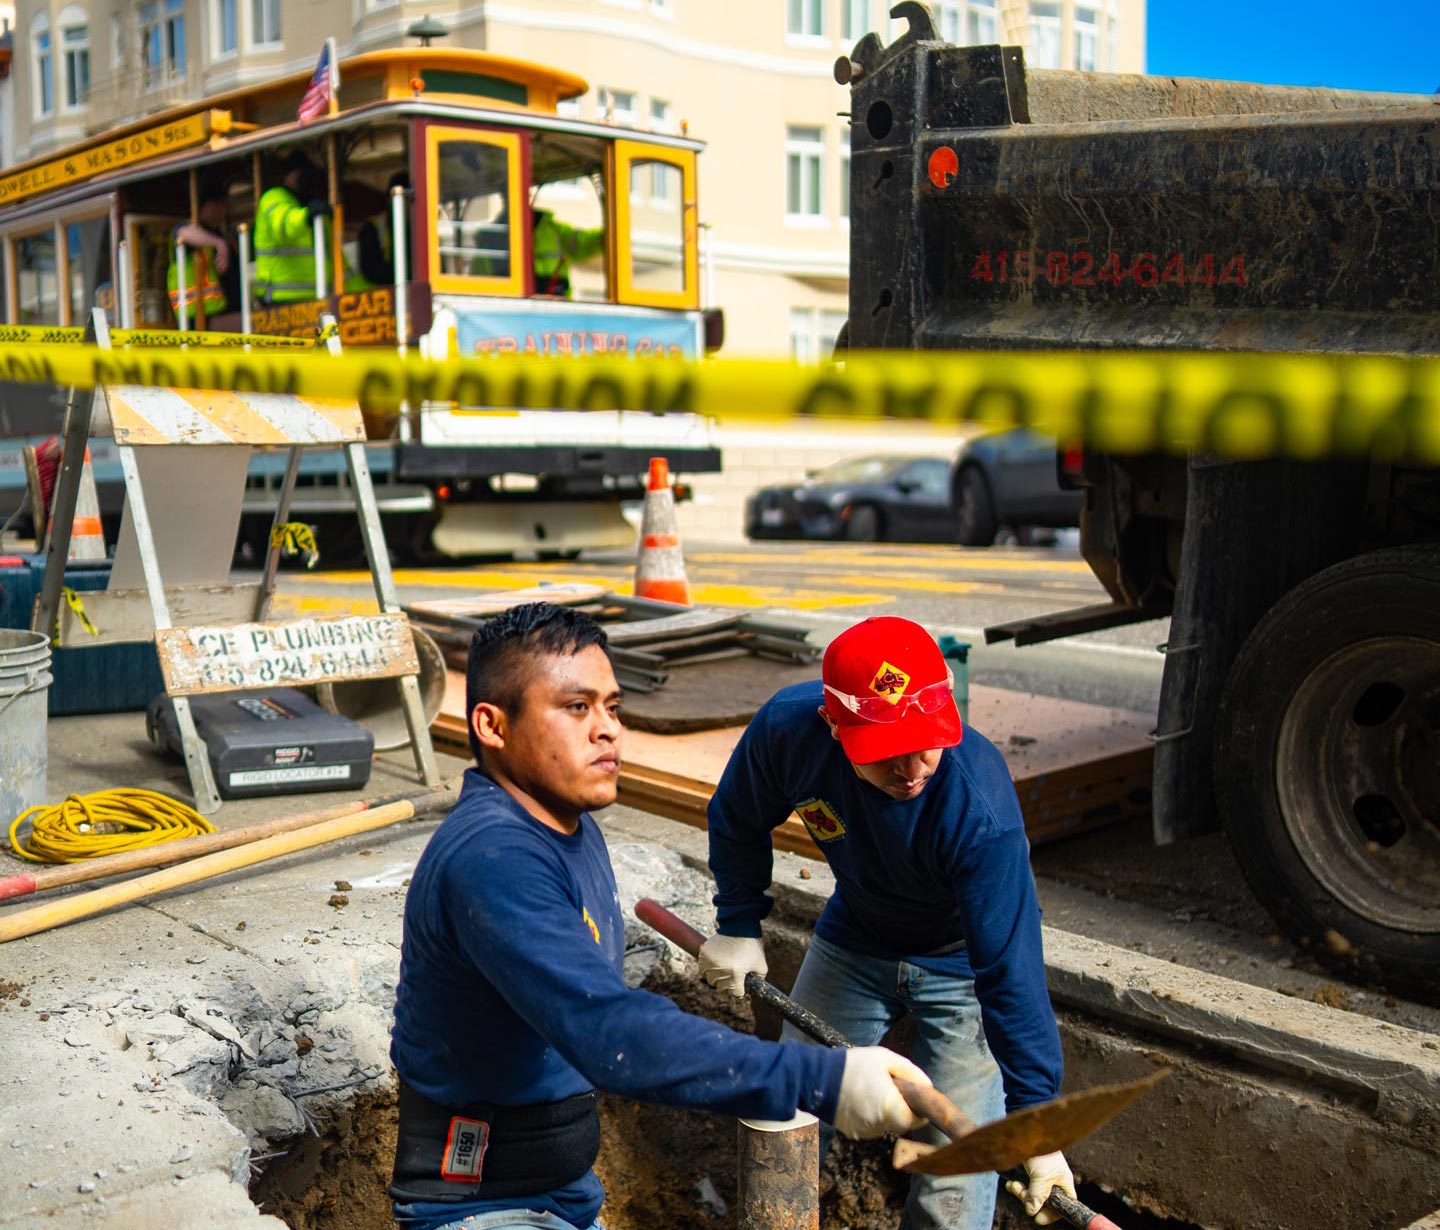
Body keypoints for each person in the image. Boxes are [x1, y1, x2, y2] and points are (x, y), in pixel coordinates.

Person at [389, 602, 934, 1230]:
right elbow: (613, 1033)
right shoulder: (493, 859)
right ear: (491, 725)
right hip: (479, 1209)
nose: (607, 729)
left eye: (612, 707)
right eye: (575, 707)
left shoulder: (565, 827)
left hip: (560, 1193)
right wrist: (822, 1078)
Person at [698, 615, 1076, 1230]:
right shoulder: (789, 732)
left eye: (925, 742)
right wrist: (739, 923)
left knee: (956, 1177)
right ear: (832, 725)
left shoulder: (979, 811)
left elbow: (1009, 969)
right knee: (786, 1105)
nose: (912, 770)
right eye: (885, 754)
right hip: (856, 938)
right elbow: (737, 816)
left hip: (961, 965)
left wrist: (1036, 1121)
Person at [254, 149, 332, 304]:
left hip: (316, 298)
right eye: (300, 173)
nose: (305, 178)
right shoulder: (274, 197)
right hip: (279, 299)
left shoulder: (313, 207)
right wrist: (307, 216)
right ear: (288, 175)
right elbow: (284, 224)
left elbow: (333, 255)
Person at [167, 184, 241, 326]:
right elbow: (183, 233)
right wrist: (219, 244)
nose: (225, 210)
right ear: (208, 205)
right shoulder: (189, 230)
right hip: (198, 319)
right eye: (222, 204)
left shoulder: (217, 233)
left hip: (221, 311)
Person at [530, 205, 603, 298]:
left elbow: (582, 243)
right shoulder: (507, 230)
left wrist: (611, 233)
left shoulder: (553, 230)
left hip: (557, 302)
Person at [357, 170, 410, 289]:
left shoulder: (422, 229)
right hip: (380, 299)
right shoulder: (372, 227)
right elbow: (371, 270)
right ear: (390, 200)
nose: (408, 205)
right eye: (405, 199)